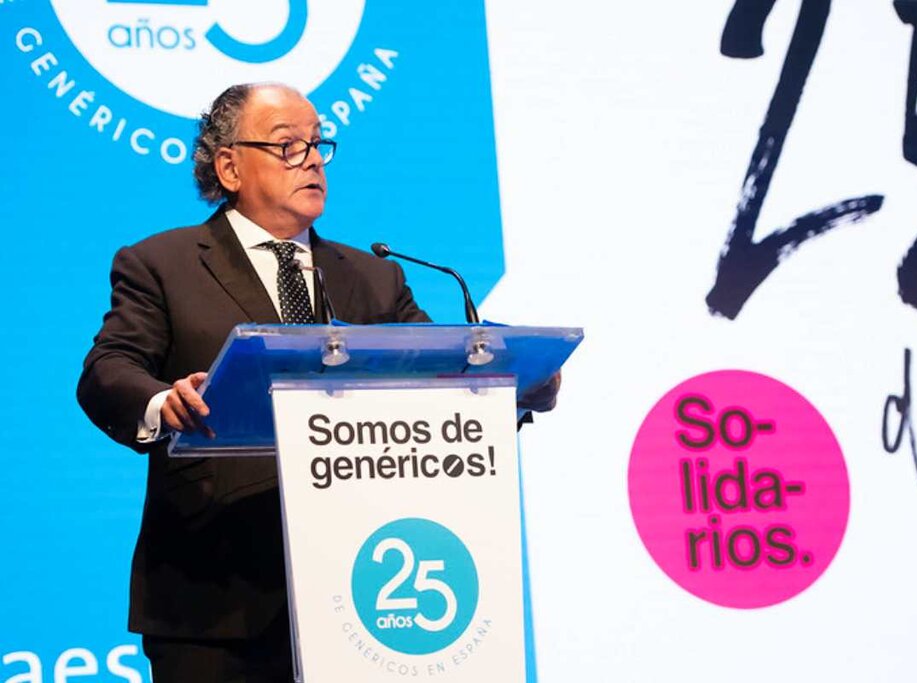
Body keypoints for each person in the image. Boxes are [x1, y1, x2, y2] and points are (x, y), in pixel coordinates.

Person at [77, 83, 558, 682]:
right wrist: (161, 401)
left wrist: (513, 385)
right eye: (286, 145)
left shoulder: (375, 276)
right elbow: (107, 371)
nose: (310, 159)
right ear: (228, 166)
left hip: (366, 591)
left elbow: (440, 379)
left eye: (317, 144)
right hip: (217, 598)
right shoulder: (162, 264)